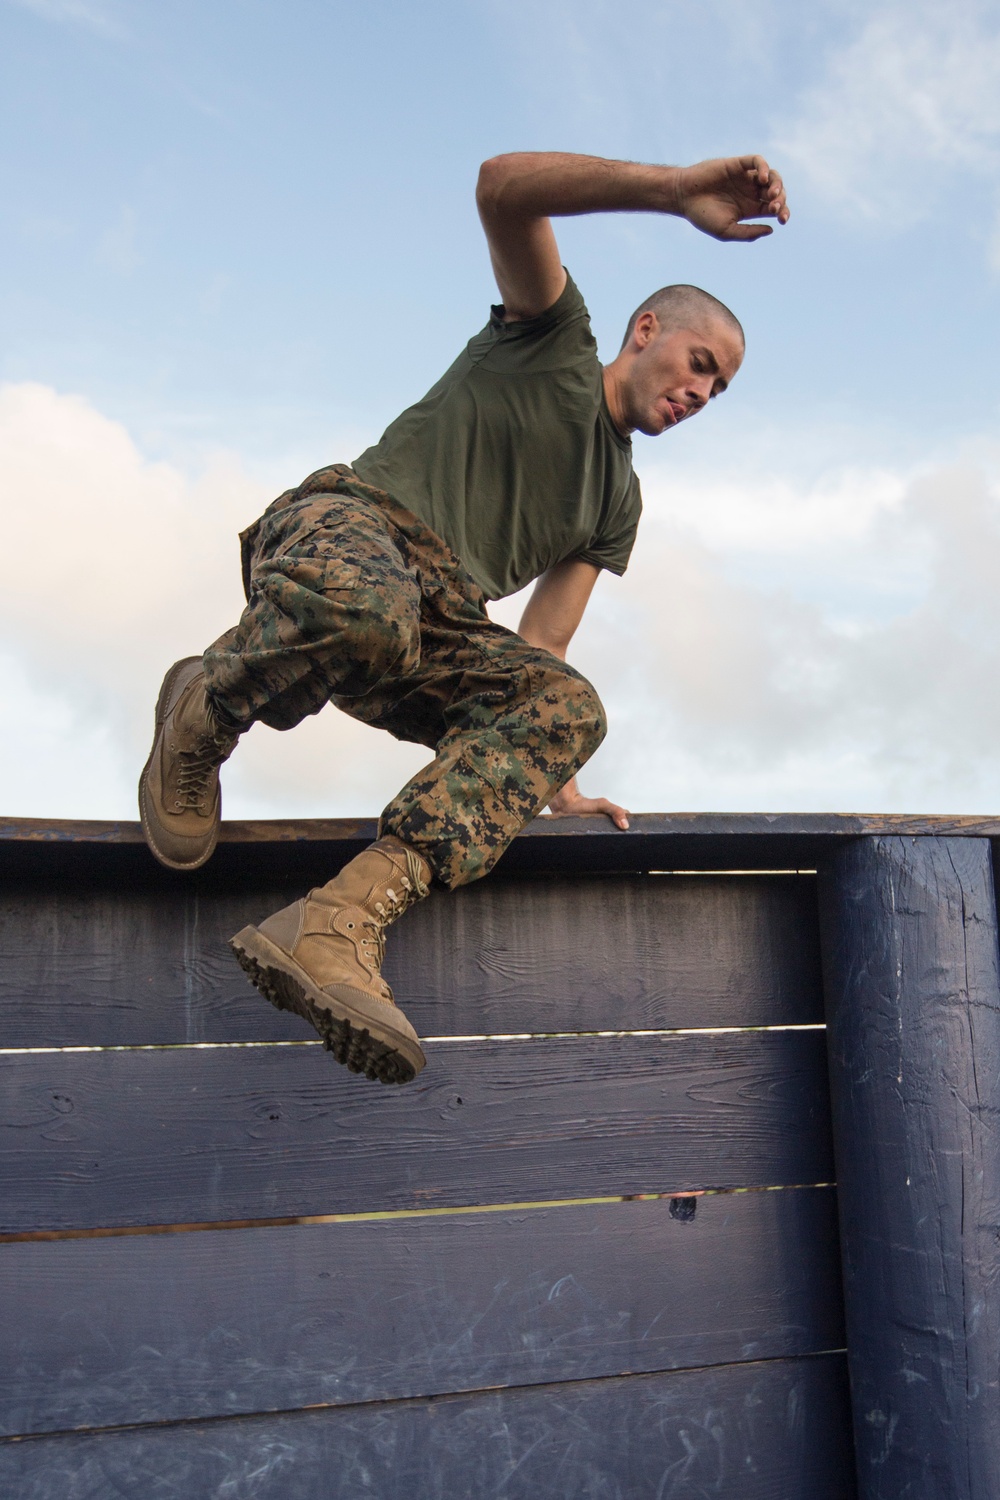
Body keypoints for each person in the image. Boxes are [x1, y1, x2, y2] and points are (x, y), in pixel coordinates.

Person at [139, 151, 789, 1085]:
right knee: (370, 610)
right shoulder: (553, 335)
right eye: (699, 364)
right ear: (646, 331)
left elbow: (545, 645)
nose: (700, 394)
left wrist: (552, 781)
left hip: (431, 624)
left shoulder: (618, 501)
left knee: (572, 704)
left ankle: (338, 923)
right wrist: (672, 192)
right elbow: (500, 186)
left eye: (719, 390)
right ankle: (202, 712)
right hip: (349, 527)